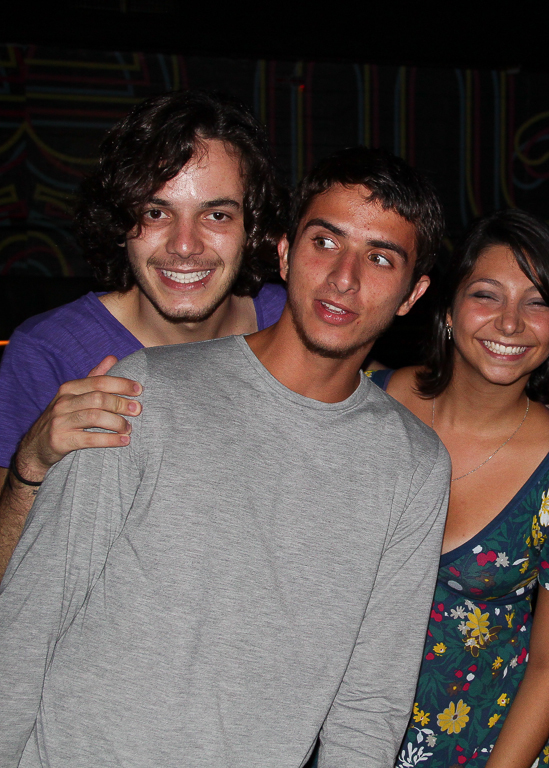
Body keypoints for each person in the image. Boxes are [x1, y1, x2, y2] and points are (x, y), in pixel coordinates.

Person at [0, 147, 451, 767]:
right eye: (325, 242)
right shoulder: (146, 389)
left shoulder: (414, 465)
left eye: (379, 258)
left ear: (413, 293)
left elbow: (370, 705)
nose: (344, 277)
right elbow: (32, 612)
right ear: (285, 253)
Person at [367, 209, 549, 768]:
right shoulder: (366, 405)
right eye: (487, 295)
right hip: (342, 741)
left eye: (537, 302)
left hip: (484, 751)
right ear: (448, 309)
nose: (510, 323)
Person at [0, 90, 288, 576]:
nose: (184, 245)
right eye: (156, 212)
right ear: (121, 223)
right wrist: (31, 465)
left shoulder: (289, 323)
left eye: (216, 215)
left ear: (252, 226)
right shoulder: (47, 353)